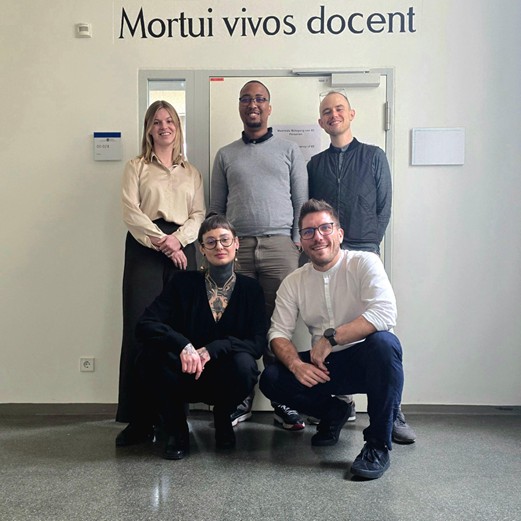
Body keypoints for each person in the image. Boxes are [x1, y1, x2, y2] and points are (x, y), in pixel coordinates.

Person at [260, 199, 404, 479]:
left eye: (325, 228)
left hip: (367, 360)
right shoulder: (294, 281)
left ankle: (377, 446)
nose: (318, 237)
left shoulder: (364, 262)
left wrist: (330, 339)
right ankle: (334, 412)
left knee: (385, 344)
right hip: (325, 368)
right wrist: (295, 365)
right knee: (272, 378)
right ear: (300, 241)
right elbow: (277, 333)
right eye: (308, 232)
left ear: (339, 233)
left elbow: (386, 312)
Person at [307, 90, 416, 444]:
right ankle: (340, 403)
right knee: (331, 322)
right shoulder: (315, 165)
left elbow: (384, 207)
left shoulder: (374, 156)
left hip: (364, 249)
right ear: (321, 121)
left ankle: (391, 409)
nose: (333, 115)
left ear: (351, 114)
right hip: (326, 253)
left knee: (379, 329)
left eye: (339, 109)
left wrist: (369, 244)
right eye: (326, 111)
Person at [209, 80, 308, 431]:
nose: (253, 104)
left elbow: (301, 202)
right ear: (239, 106)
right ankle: (241, 396)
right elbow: (215, 209)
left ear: (269, 107)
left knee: (280, 324)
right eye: (247, 99)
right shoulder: (225, 154)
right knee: (241, 325)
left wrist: (296, 241)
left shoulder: (289, 150)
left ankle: (284, 398)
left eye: (260, 99)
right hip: (237, 252)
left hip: (281, 247)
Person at [134, 215, 267, 459]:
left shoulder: (251, 290)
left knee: (245, 365)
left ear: (236, 244)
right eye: (211, 242)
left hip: (223, 375)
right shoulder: (182, 282)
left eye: (225, 240)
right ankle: (177, 430)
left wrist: (214, 348)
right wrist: (183, 345)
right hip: (184, 373)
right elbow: (146, 324)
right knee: (149, 356)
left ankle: (223, 418)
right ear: (201, 249)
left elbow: (257, 343)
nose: (219, 247)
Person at [115, 100, 205, 445]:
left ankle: (173, 419)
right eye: (156, 122)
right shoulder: (136, 167)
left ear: (177, 128)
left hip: (184, 249)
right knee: (141, 328)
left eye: (170, 121)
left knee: (180, 330)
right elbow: (130, 211)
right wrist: (162, 242)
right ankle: (139, 419)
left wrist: (178, 242)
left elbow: (198, 214)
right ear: (148, 129)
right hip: (145, 248)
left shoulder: (191, 172)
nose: (164, 126)